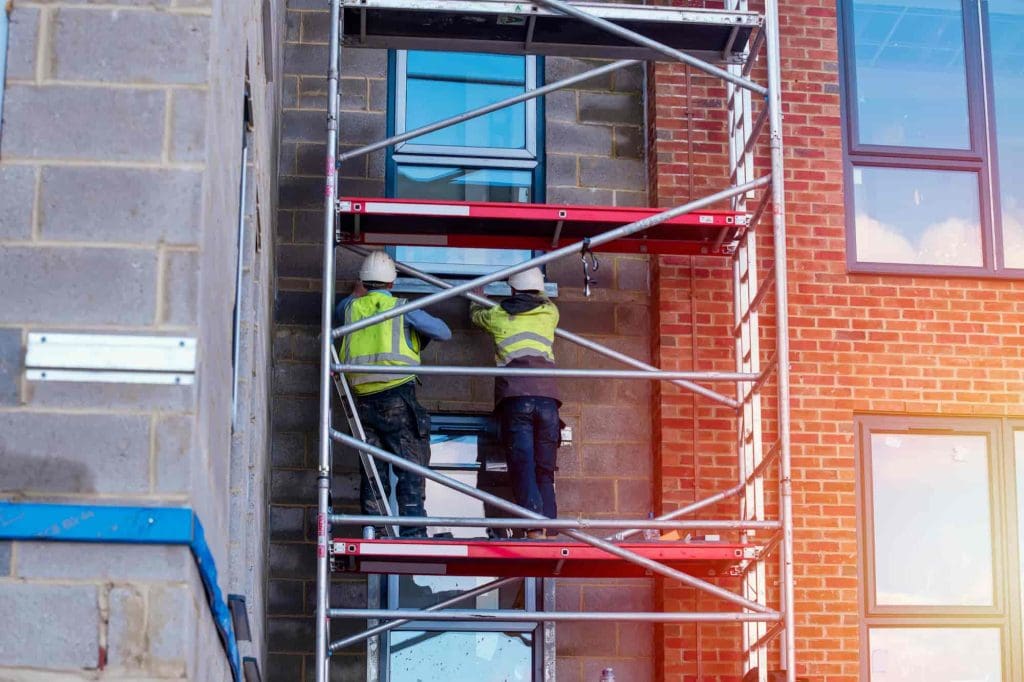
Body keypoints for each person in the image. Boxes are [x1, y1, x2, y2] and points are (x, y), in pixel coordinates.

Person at [335, 251, 451, 538]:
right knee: (410, 466)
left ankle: (374, 530)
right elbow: (443, 332)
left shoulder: (348, 309)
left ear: (363, 281)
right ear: (391, 283)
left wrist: (357, 293)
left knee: (372, 469)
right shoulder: (402, 308)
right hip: (396, 398)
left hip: (360, 401)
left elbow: (347, 304)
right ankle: (412, 531)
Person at [470, 267, 561, 539]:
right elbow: (545, 299)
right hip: (547, 399)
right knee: (545, 467)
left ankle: (534, 527)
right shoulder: (550, 314)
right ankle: (550, 524)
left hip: (516, 397)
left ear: (512, 290)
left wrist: (478, 297)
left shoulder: (498, 315)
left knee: (523, 465)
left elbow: (476, 317)